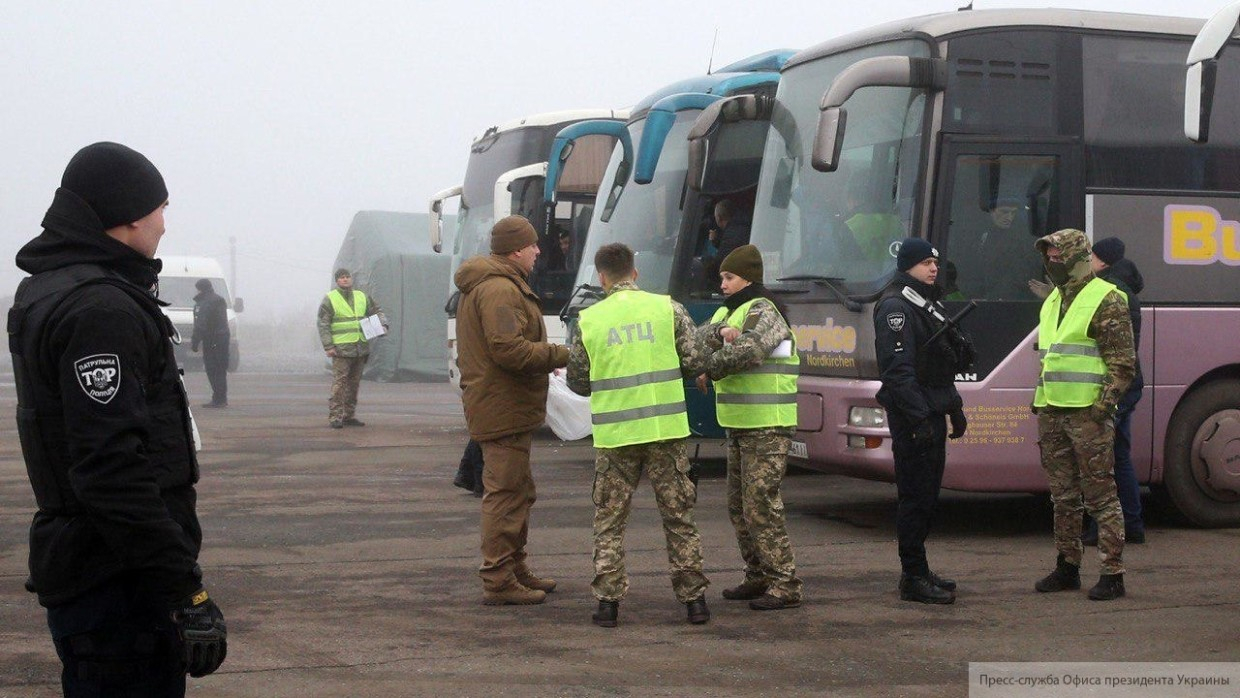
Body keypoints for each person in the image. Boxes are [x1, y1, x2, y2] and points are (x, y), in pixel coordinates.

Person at [9, 142, 226, 695]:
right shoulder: (101, 309)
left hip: (96, 565)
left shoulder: (53, 290)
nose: (163, 223)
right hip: (116, 578)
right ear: (128, 215)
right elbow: (110, 468)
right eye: (159, 208)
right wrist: (185, 588)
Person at [567, 243, 711, 627]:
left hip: (616, 436)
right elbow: (696, 361)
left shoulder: (590, 319)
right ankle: (694, 601)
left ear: (601, 277)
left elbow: (578, 382)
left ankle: (608, 605)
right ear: (635, 272)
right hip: (665, 430)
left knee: (610, 521)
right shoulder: (668, 308)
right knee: (678, 516)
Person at [455, 215, 569, 605]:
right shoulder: (500, 290)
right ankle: (499, 579)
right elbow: (508, 349)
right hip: (501, 406)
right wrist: (561, 354)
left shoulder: (497, 285)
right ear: (517, 249)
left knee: (518, 492)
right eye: (534, 246)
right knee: (505, 495)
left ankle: (515, 567)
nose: (539, 252)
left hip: (504, 404)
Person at [695, 244, 803, 611]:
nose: (722, 284)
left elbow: (751, 350)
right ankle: (758, 574)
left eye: (729, 277)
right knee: (738, 507)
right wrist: (722, 331)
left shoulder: (763, 311)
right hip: (741, 424)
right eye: (722, 277)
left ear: (749, 278)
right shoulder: (730, 311)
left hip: (768, 425)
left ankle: (784, 582)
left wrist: (710, 367)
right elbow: (696, 341)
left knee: (760, 506)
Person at [1031, 229, 1135, 602]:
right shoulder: (1052, 300)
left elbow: (1123, 364)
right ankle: (1068, 566)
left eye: (1059, 257)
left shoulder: (1106, 298)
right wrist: (1040, 403)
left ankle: (1112, 572)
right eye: (1049, 257)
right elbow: (1050, 358)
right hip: (1053, 411)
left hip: (1087, 414)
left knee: (1101, 496)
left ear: (1078, 257)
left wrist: (1102, 408)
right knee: (1063, 497)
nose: (1052, 263)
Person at [872, 238, 974, 604]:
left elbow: (939, 366)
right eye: (925, 262)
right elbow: (898, 373)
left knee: (928, 497)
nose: (933, 267)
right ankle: (912, 576)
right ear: (907, 266)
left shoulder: (926, 303)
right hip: (914, 417)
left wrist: (954, 407)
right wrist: (919, 419)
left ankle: (919, 569)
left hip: (930, 412)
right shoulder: (896, 307)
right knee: (915, 498)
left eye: (935, 261)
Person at [1083, 237, 1146, 544]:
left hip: (1116, 384)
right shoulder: (1124, 289)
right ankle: (1132, 525)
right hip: (1128, 383)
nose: (1088, 261)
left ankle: (1100, 529)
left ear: (1104, 262)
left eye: (1092, 256)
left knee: (1102, 457)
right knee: (1118, 455)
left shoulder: (1111, 292)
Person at [317, 268, 386, 429]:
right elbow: (323, 323)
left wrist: (383, 324)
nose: (345, 279)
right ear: (337, 280)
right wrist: (328, 346)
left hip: (360, 348)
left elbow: (377, 311)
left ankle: (349, 415)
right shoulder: (330, 299)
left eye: (347, 277)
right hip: (341, 349)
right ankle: (335, 416)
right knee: (340, 384)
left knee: (354, 384)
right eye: (342, 277)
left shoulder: (362, 296)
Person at [191, 278, 230, 407]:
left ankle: (218, 399)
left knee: (212, 369)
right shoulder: (218, 299)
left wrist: (195, 341)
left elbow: (201, 324)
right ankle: (220, 398)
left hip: (212, 339)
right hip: (222, 338)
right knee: (220, 369)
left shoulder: (205, 302)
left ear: (200, 289)